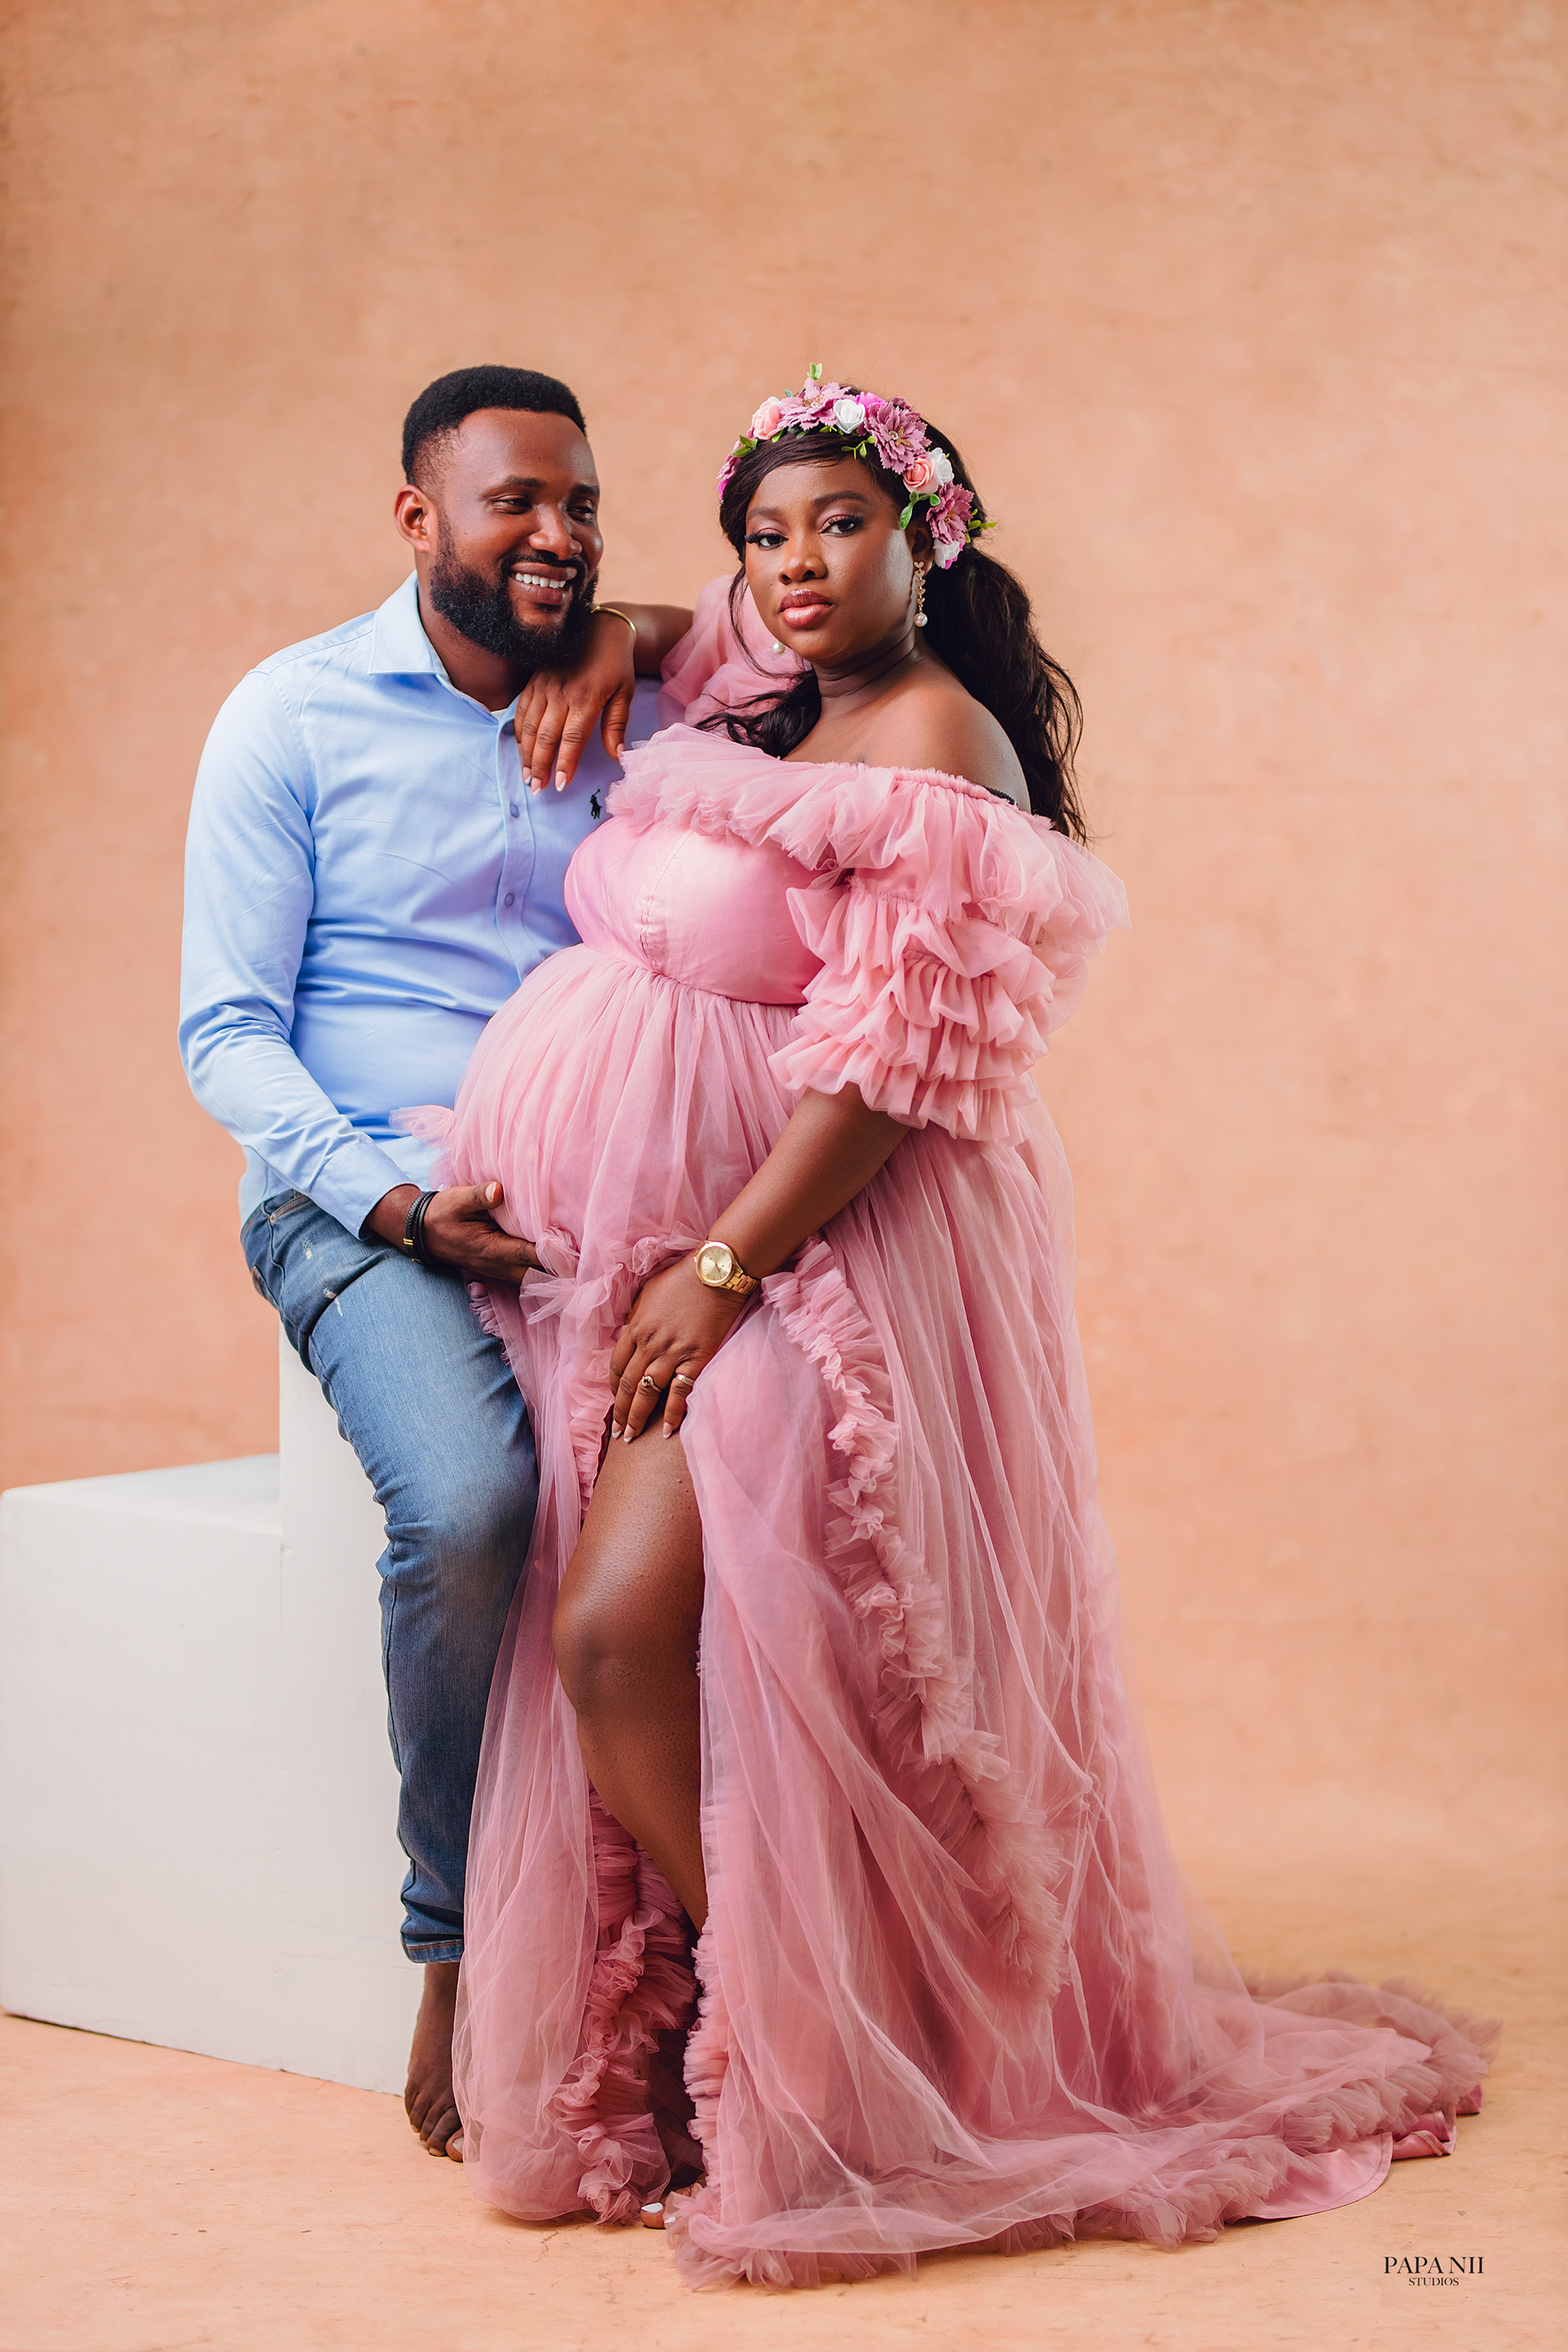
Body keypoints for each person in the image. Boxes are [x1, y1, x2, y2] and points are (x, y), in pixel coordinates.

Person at [430, 368, 1496, 2287]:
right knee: (646, 1652)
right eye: (767, 533)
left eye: (842, 523)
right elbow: (686, 629)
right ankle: (796, 2011)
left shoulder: (935, 737)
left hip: (817, 1261)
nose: (798, 563)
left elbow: (892, 1068)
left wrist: (722, 1271)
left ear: (927, 539)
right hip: (657, 1249)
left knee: (636, 1634)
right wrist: (628, 629)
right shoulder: (765, 685)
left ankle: (834, 2045)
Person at [179, 365, 693, 2160]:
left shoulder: (625, 701)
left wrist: (635, 631)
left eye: (582, 506)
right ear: (418, 521)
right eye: (514, 504)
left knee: (770, 1464)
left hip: (596, 1203)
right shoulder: (292, 716)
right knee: (475, 1506)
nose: (558, 535)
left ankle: (716, 1945)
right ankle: (454, 1939)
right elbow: (227, 1033)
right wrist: (395, 1207)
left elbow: (806, 634)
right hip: (363, 1207)